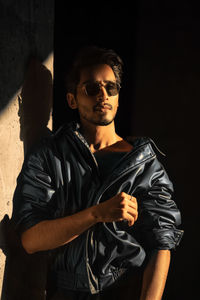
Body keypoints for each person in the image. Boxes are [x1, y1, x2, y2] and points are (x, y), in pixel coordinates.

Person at [12, 46, 183, 300]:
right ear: (72, 100)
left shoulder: (144, 162)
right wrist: (96, 213)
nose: (102, 95)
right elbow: (31, 239)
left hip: (126, 289)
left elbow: (163, 243)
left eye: (110, 87)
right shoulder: (49, 156)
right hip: (67, 292)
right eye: (92, 88)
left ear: (117, 96)